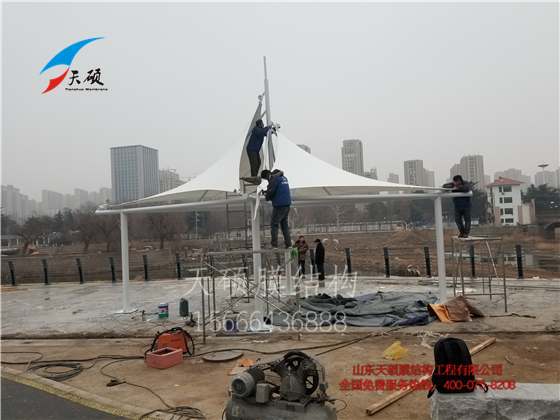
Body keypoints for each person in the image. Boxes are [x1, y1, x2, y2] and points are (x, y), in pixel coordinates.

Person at [261, 169, 292, 249]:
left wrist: (267, 196)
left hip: (279, 205)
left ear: (267, 175)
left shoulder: (274, 179)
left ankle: (274, 244)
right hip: (286, 204)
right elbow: (279, 190)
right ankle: (288, 244)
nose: (267, 180)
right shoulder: (283, 178)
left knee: (274, 224)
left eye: (266, 179)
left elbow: (271, 190)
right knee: (284, 225)